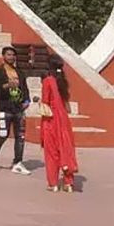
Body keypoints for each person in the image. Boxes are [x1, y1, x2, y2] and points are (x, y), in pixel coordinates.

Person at [0, 46, 32, 174]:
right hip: (5, 108)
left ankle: (17, 162)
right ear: (3, 56)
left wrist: (27, 101)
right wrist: (7, 85)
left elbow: (25, 88)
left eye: (13, 55)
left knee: (20, 136)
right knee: (3, 134)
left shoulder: (20, 72)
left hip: (19, 109)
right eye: (8, 55)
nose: (11, 57)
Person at [39, 57, 78, 192]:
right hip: (63, 120)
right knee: (65, 147)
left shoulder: (48, 81)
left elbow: (45, 102)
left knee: (51, 152)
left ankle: (53, 183)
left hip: (51, 120)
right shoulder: (63, 82)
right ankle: (68, 183)